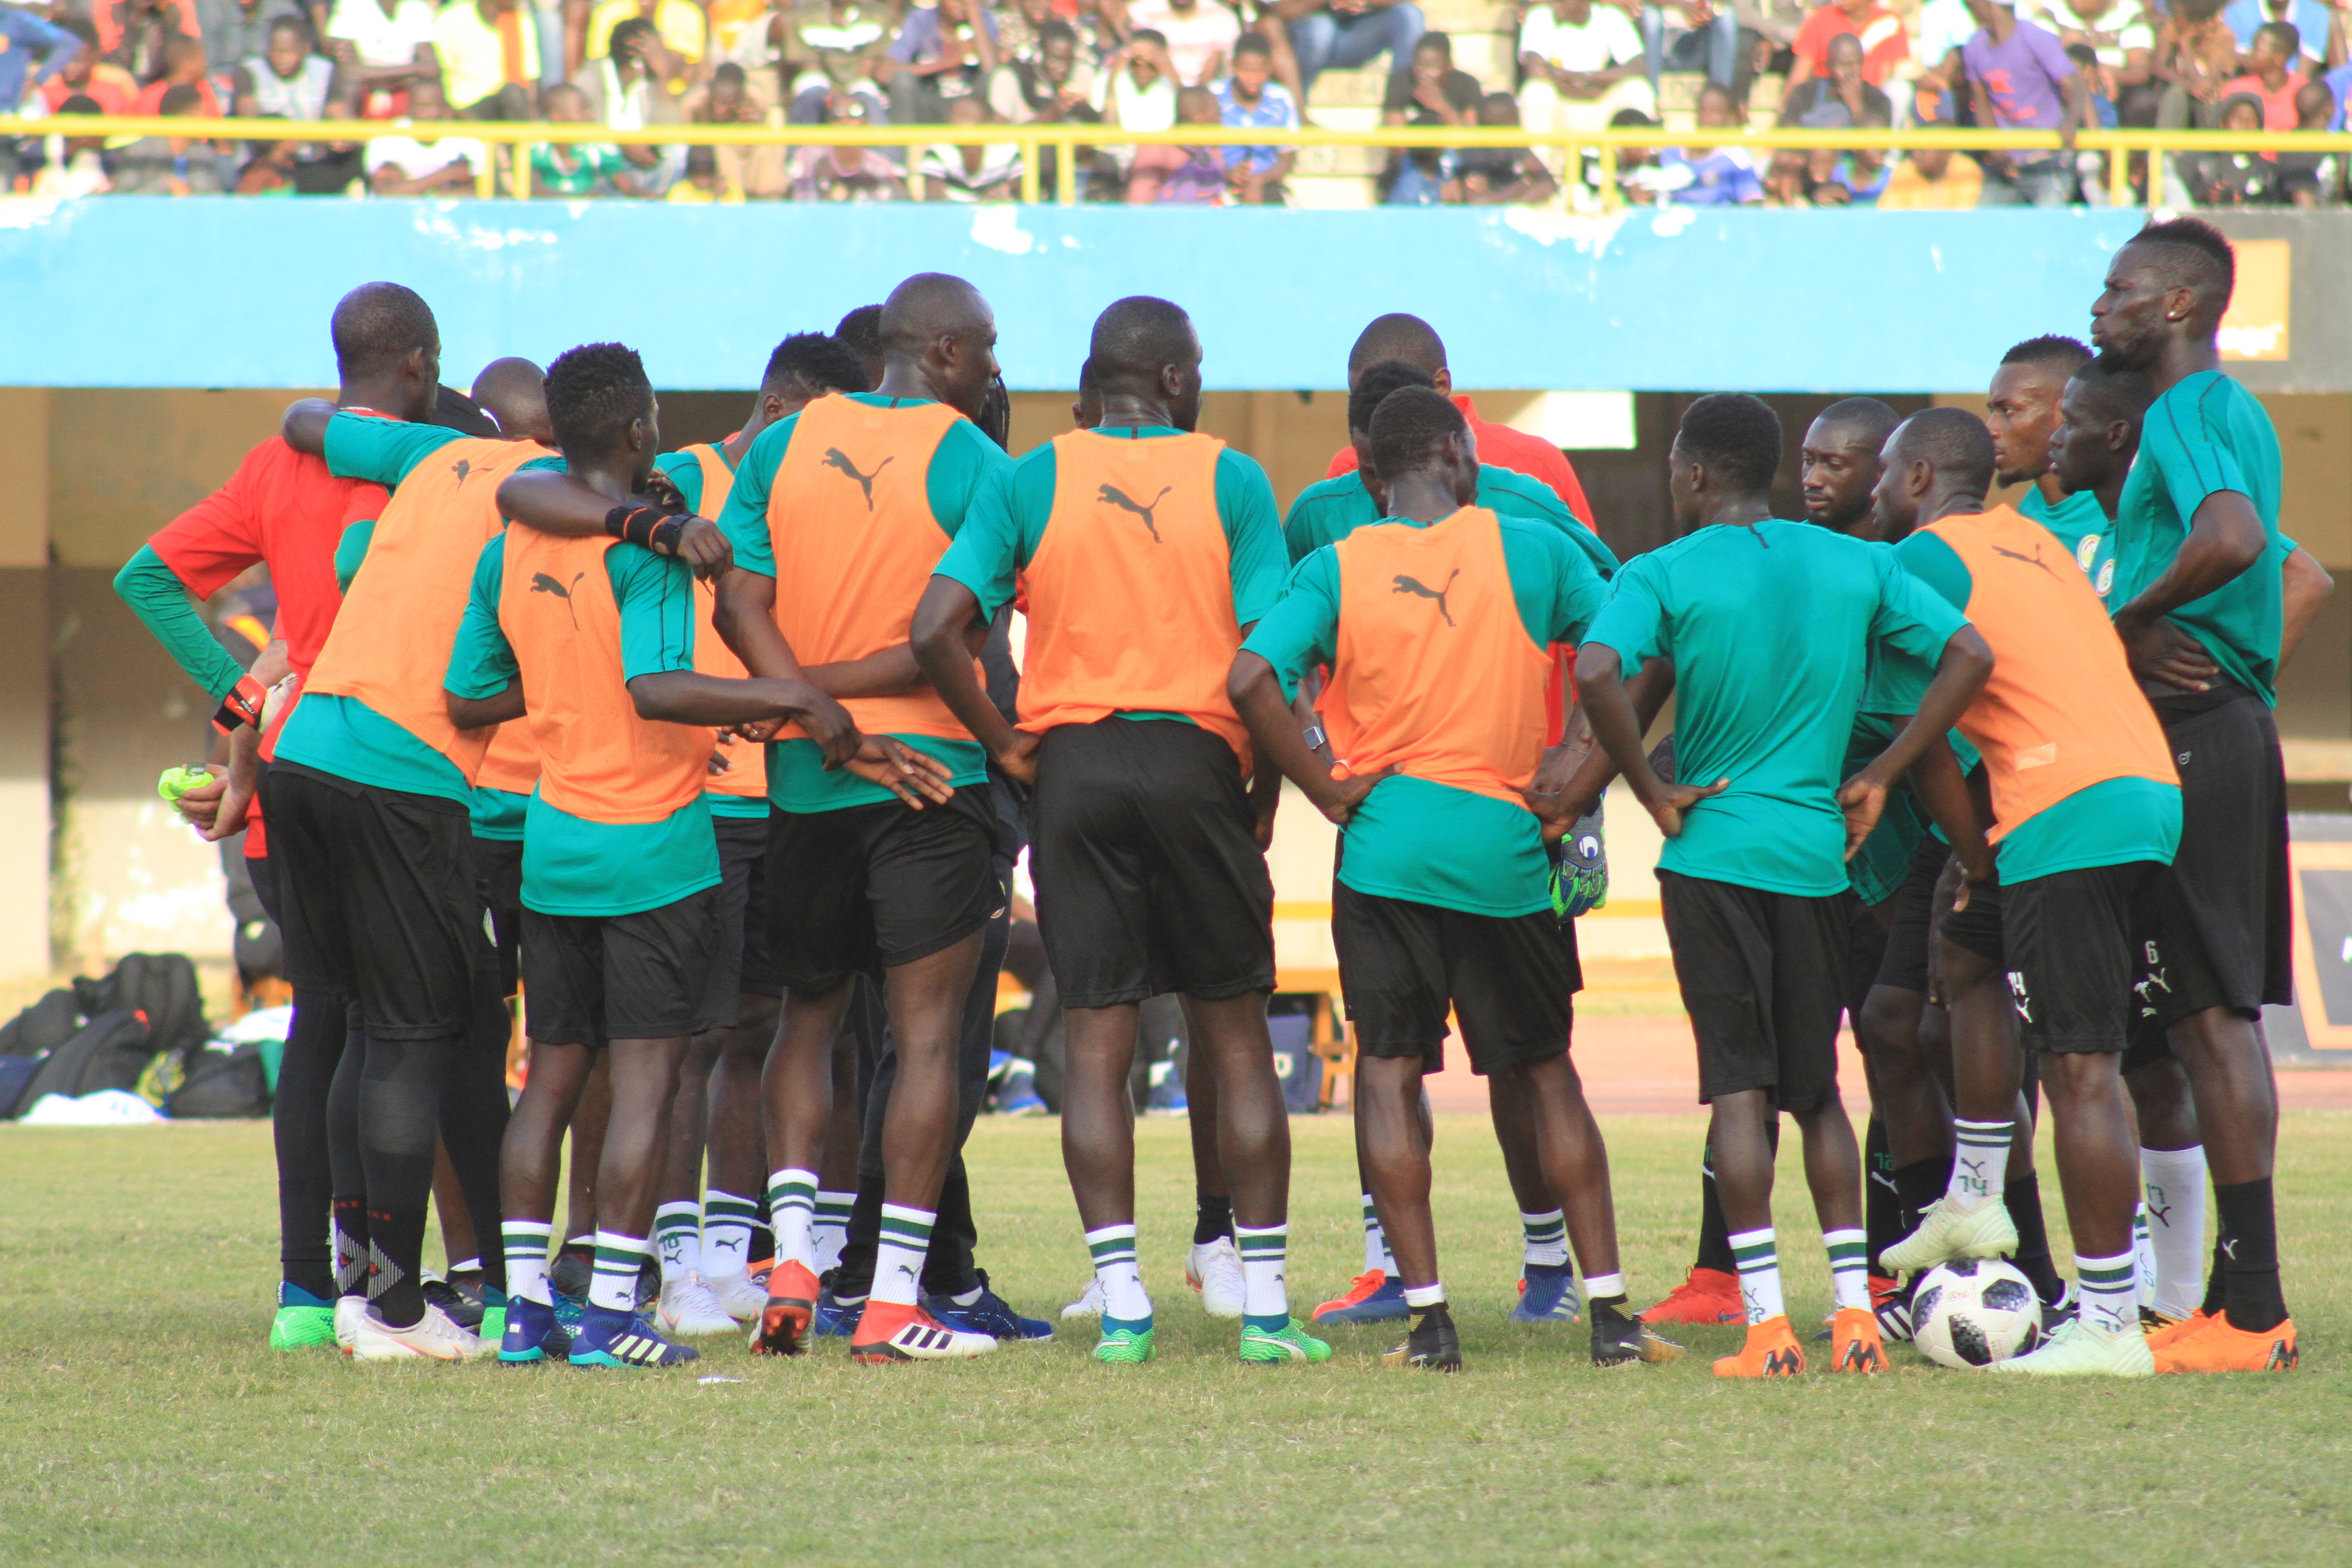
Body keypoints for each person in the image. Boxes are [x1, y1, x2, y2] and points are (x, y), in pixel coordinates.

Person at [909, 295, 1327, 1369]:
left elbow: (934, 628)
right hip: (1199, 762)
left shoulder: (1031, 476)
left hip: (1076, 769)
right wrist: (1269, 786)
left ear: (1095, 384)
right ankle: (1266, 1308)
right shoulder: (1233, 476)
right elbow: (1269, 655)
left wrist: (1004, 739)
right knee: (1232, 1034)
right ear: (1179, 380)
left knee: (1095, 1039)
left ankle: (1125, 1303)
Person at [1230, 385, 1668, 1372]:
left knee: (1387, 1070)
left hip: (1384, 851)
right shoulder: (1536, 547)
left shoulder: (1334, 564)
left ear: (1375, 478)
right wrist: (1581, 771)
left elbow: (1252, 680)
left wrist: (1322, 790)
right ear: (1464, 463)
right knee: (1545, 1069)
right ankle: (1608, 1318)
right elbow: (1631, 653)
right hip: (1507, 851)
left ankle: (1430, 1323)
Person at [1572, 392, 1992, 1377]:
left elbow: (1597, 669)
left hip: (1712, 853)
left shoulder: (1663, 570)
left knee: (1737, 1088)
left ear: (1695, 474)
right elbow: (1970, 653)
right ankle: (1852, 1318)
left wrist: (1648, 787)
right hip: (1816, 856)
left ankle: (1764, 1325)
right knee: (1819, 1094)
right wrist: (1887, 772)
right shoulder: (1863, 561)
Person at [442, 344, 812, 1369]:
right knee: (646, 1085)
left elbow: (472, 697)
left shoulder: (511, 544)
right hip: (655, 849)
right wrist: (791, 696)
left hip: (551, 842)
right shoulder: (654, 552)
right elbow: (660, 688)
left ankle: (523, 1314)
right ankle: (609, 1315)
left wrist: (566, 688)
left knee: (550, 1079)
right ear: (642, 431)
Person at [112, 284, 440, 1354]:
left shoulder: (273, 464)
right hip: (399, 774)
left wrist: (244, 701)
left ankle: (306, 1294)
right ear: (423, 364)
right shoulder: (430, 464)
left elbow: (150, 579)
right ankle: (386, 1286)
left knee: (323, 1024)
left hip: (289, 779)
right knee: (400, 1030)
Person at [696, 273, 1011, 1365]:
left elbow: (739, 599)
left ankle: (788, 1265)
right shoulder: (978, 459)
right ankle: (887, 1306)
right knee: (924, 1040)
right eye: (990, 350)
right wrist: (846, 705)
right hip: (930, 776)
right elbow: (952, 633)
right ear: (953, 354)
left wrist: (810, 709)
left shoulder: (781, 444)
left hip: (804, 785)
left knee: (808, 1019)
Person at [1867, 406, 2182, 1377]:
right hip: (2135, 787)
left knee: (2080, 1065)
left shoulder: (1924, 557)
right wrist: (1982, 857)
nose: (1876, 492)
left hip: (2066, 805)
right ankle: (1973, 1190)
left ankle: (2108, 1321)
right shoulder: (2034, 544)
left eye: (1883, 473)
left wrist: (1937, 816)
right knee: (1967, 954)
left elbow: (1929, 747)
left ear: (1919, 478)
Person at [2090, 217, 2298, 1373]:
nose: (2098, 306)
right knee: (2199, 1018)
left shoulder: (2185, 410)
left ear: (2175, 305)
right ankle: (2235, 1289)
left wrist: (2123, 618)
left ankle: (2257, 1306)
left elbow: (2234, 534)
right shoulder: (2217, 412)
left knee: (2212, 1018)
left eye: (2117, 288)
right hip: (2218, 728)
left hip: (2199, 738)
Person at [1986, 334, 2112, 591]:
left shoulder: (2116, 503)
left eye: (2008, 410)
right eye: (1992, 413)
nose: (1991, 429)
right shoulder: (2028, 513)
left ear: (2066, 412)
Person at [1961, 0, 2088, 206]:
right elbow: (1981, 102)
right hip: (2006, 166)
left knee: (2048, 227)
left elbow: (2075, 88)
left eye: (1972, 4)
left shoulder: (2037, 38)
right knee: (1983, 226)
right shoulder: (1974, 46)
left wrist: (2070, 124)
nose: (1968, 7)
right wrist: (1995, 149)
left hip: (2048, 160)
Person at [231, 18, 352, 196]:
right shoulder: (249, 71)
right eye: (276, 51)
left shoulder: (326, 71)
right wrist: (289, 140)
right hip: (266, 160)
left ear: (306, 48)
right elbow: (253, 124)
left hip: (313, 162)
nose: (281, 59)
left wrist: (337, 137)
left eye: (288, 52)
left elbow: (341, 120)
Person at [1516, 0, 1654, 135]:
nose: (1555, 3)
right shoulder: (1540, 16)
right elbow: (1535, 73)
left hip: (1601, 109)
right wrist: (1591, 89)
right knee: (1536, 92)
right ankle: (1540, 158)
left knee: (1638, 89)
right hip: (1562, 108)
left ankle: (1638, 156)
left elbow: (1638, 69)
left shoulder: (1610, 16)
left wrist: (1576, 77)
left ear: (1584, 3)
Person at [1380, 31, 1480, 204]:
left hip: (1453, 161)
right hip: (1413, 161)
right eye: (1419, 66)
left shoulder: (1466, 84)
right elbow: (1397, 147)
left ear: (1449, 66)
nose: (1424, 74)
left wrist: (1443, 108)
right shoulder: (1400, 82)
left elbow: (1470, 144)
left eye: (1433, 67)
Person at [1637, 82, 1762, 204]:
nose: (1706, 117)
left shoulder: (1736, 157)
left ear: (1728, 117)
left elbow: (1753, 206)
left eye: (1714, 111)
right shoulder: (1671, 151)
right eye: (1702, 110)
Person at [363, 73, 487, 195]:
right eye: (416, 106)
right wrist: (446, 175)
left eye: (428, 107)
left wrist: (415, 190)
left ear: (446, 110)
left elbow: (479, 193)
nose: (420, 113)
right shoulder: (388, 137)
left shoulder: (467, 140)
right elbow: (387, 193)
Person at [879, 0, 998, 124]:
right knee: (902, 79)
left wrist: (973, 13)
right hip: (930, 100)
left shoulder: (982, 18)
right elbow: (885, 73)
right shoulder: (921, 20)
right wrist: (945, 63)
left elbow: (992, 70)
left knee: (995, 78)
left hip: (970, 103)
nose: (961, 4)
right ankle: (906, 141)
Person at [1274, 0, 1424, 97]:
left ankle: (1399, 109)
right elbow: (1277, 10)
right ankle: (1297, 112)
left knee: (1410, 15)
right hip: (1312, 41)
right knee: (1320, 28)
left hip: (1362, 35)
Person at [1874, 75, 1982, 208]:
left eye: (1922, 149)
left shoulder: (1966, 172)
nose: (1915, 154)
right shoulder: (1905, 171)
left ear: (1944, 153)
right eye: (1915, 148)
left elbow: (1961, 220)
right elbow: (1889, 213)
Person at [1216, 32, 1297, 205]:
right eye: (1246, 71)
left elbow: (1288, 158)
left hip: (1268, 183)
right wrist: (1228, 174)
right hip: (1220, 182)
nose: (1254, 79)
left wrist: (1259, 180)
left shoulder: (1281, 98)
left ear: (1270, 68)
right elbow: (1201, 153)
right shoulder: (1214, 96)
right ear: (1233, 67)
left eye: (1260, 71)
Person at [323, 0, 439, 119]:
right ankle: (352, 135)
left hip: (401, 85)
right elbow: (350, 71)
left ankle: (422, 135)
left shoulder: (417, 7)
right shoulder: (352, 5)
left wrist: (373, 73)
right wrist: (413, 70)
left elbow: (431, 67)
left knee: (428, 88)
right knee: (346, 89)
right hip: (365, 87)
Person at [783, 0, 892, 124]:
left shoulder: (878, 14)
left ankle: (883, 142)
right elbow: (809, 64)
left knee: (867, 92)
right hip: (821, 81)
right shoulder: (803, 15)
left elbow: (872, 61)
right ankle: (805, 142)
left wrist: (849, 96)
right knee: (811, 89)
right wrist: (834, 96)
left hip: (860, 81)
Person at [1446, 92, 1561, 203]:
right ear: (1511, 121)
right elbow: (1479, 203)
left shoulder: (1515, 145)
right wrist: (1519, 187)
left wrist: (1514, 207)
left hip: (1510, 213)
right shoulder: (1473, 153)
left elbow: (1548, 186)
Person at [431, 0, 538, 118]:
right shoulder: (452, 18)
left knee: (513, 92)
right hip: (464, 106)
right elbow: (436, 70)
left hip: (510, 104)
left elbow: (529, 78)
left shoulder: (522, 21)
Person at [530, 81, 639, 195]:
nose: (590, 116)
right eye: (582, 110)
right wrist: (566, 202)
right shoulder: (534, 143)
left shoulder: (598, 143)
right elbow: (526, 186)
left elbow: (625, 184)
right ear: (557, 117)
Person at [919, 93, 1025, 199]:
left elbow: (1024, 196)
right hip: (953, 214)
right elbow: (934, 201)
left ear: (986, 125)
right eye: (954, 116)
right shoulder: (938, 150)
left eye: (965, 117)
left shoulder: (1008, 151)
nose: (956, 123)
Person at [1784, 0, 1908, 91]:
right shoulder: (1819, 19)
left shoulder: (1889, 21)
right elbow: (1799, 75)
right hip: (1830, 93)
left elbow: (1884, 76)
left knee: (1899, 89)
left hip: (1871, 96)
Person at [1124, 0, 1244, 86]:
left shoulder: (1223, 15)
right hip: (1159, 87)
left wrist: (1199, 94)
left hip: (1209, 91)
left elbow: (1228, 69)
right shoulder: (1141, 12)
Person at [1640, 1, 1741, 95]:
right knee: (1651, 18)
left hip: (1700, 42)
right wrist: (1683, 5)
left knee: (1726, 15)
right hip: (1664, 46)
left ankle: (1719, 98)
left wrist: (1708, 7)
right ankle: (1651, 101)